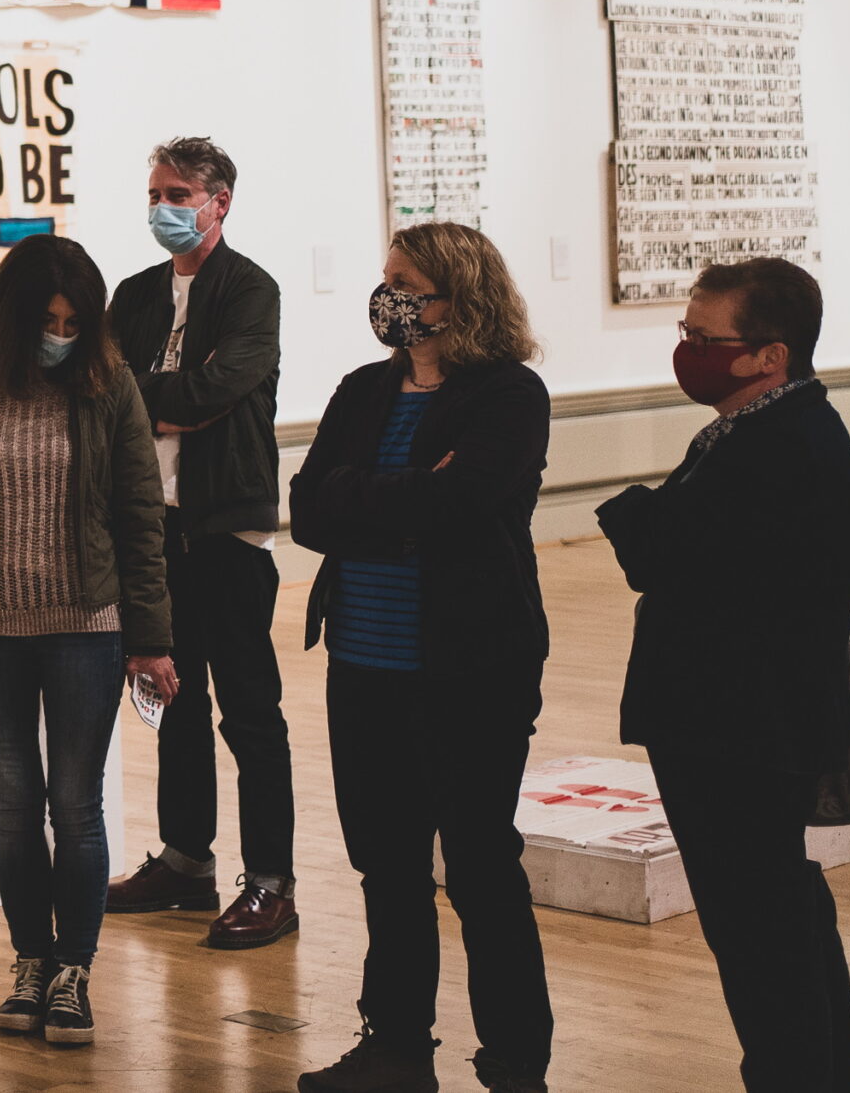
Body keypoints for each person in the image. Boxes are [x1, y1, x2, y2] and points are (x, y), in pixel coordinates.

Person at [289, 223, 553, 1093]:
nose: (389, 296)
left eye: (407, 282)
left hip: (469, 667)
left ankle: (516, 1058)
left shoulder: (509, 395)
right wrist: (407, 495)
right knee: (388, 866)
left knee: (479, 863)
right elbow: (309, 511)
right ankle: (396, 1046)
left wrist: (366, 497)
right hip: (363, 664)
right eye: (387, 279)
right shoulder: (364, 389)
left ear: (457, 298)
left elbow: (466, 503)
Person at [596, 258, 850, 1093]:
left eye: (703, 337)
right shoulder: (762, 432)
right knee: (778, 908)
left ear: (768, 356)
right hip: (739, 718)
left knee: (758, 926)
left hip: (741, 727)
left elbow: (666, 551)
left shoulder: (780, 447)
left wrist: (640, 514)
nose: (687, 350)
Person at [0, 234, 177, 1048]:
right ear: (16, 317)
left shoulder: (109, 388)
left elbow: (140, 516)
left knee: (77, 803)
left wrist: (151, 638)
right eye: (47, 318)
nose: (60, 333)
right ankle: (29, 960)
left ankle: (74, 971)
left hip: (85, 628)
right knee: (14, 803)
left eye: (74, 319)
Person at [103, 137, 294, 948]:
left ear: (220, 202)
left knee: (250, 712)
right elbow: (102, 392)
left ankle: (272, 881)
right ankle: (186, 860)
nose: (163, 207)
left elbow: (220, 387)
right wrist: (163, 401)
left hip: (226, 525)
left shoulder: (251, 290)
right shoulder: (136, 294)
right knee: (172, 701)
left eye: (179, 192)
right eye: (154, 192)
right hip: (155, 526)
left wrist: (151, 398)